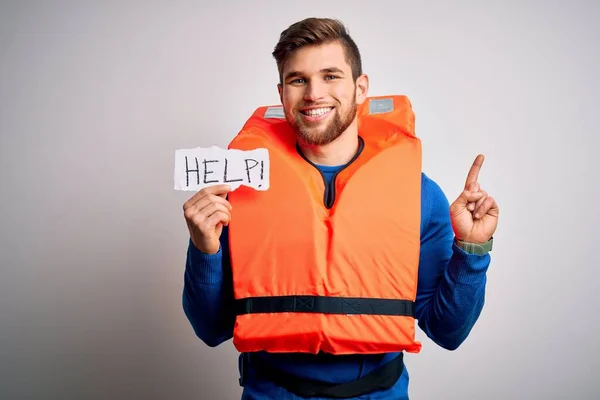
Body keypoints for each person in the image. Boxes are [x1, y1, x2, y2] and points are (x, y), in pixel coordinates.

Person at [181, 17, 499, 400]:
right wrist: (204, 249)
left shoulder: (420, 194)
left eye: (331, 76)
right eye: (298, 80)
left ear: (360, 88)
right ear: (282, 94)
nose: (314, 93)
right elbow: (210, 329)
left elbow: (448, 332)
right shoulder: (238, 192)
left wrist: (472, 250)